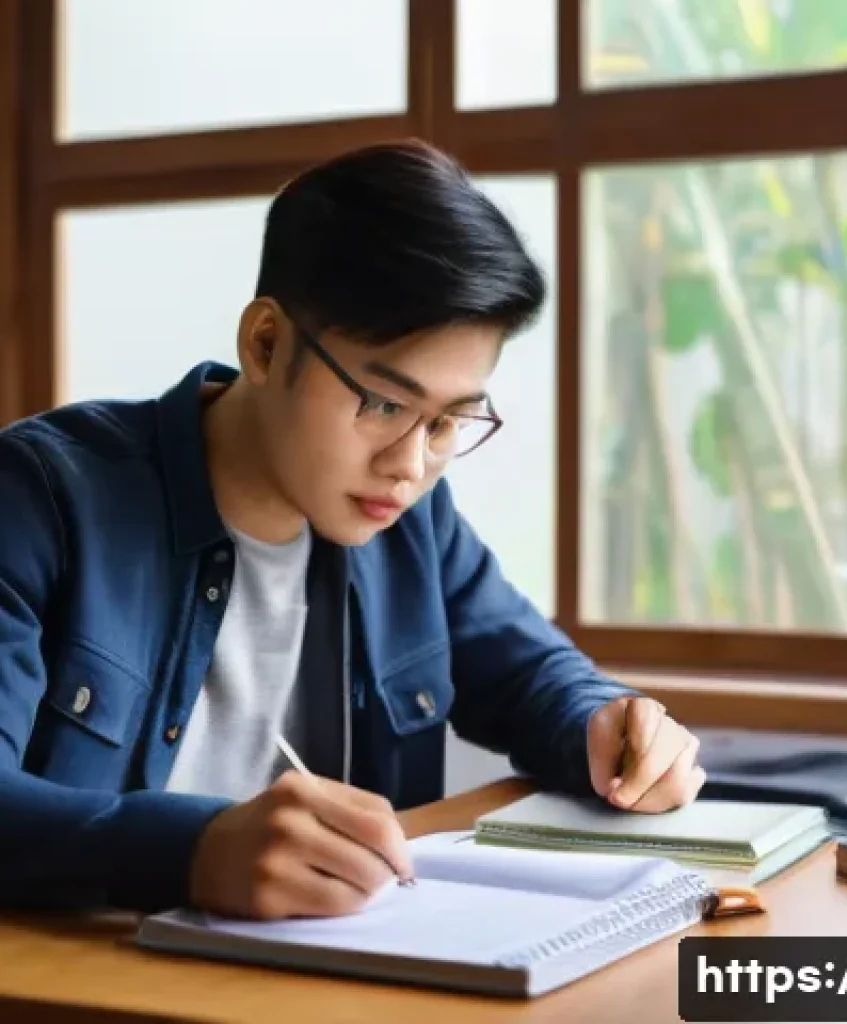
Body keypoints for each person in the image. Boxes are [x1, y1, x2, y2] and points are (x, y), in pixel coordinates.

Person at [0, 140, 704, 921]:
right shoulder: (41, 498)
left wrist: (612, 723)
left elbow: (536, 679)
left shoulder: (410, 520)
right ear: (266, 344)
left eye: (448, 421)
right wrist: (192, 852)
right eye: (383, 404)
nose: (410, 465)